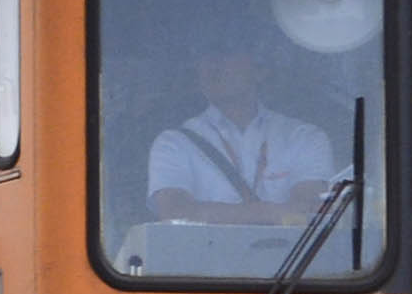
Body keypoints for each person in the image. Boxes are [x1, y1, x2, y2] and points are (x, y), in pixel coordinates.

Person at [145, 42, 344, 225]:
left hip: (291, 263)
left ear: (260, 70)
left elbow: (309, 212)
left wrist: (210, 213)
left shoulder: (305, 137)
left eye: (224, 53)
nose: (212, 65)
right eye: (204, 57)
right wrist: (271, 213)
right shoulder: (173, 142)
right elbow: (175, 214)